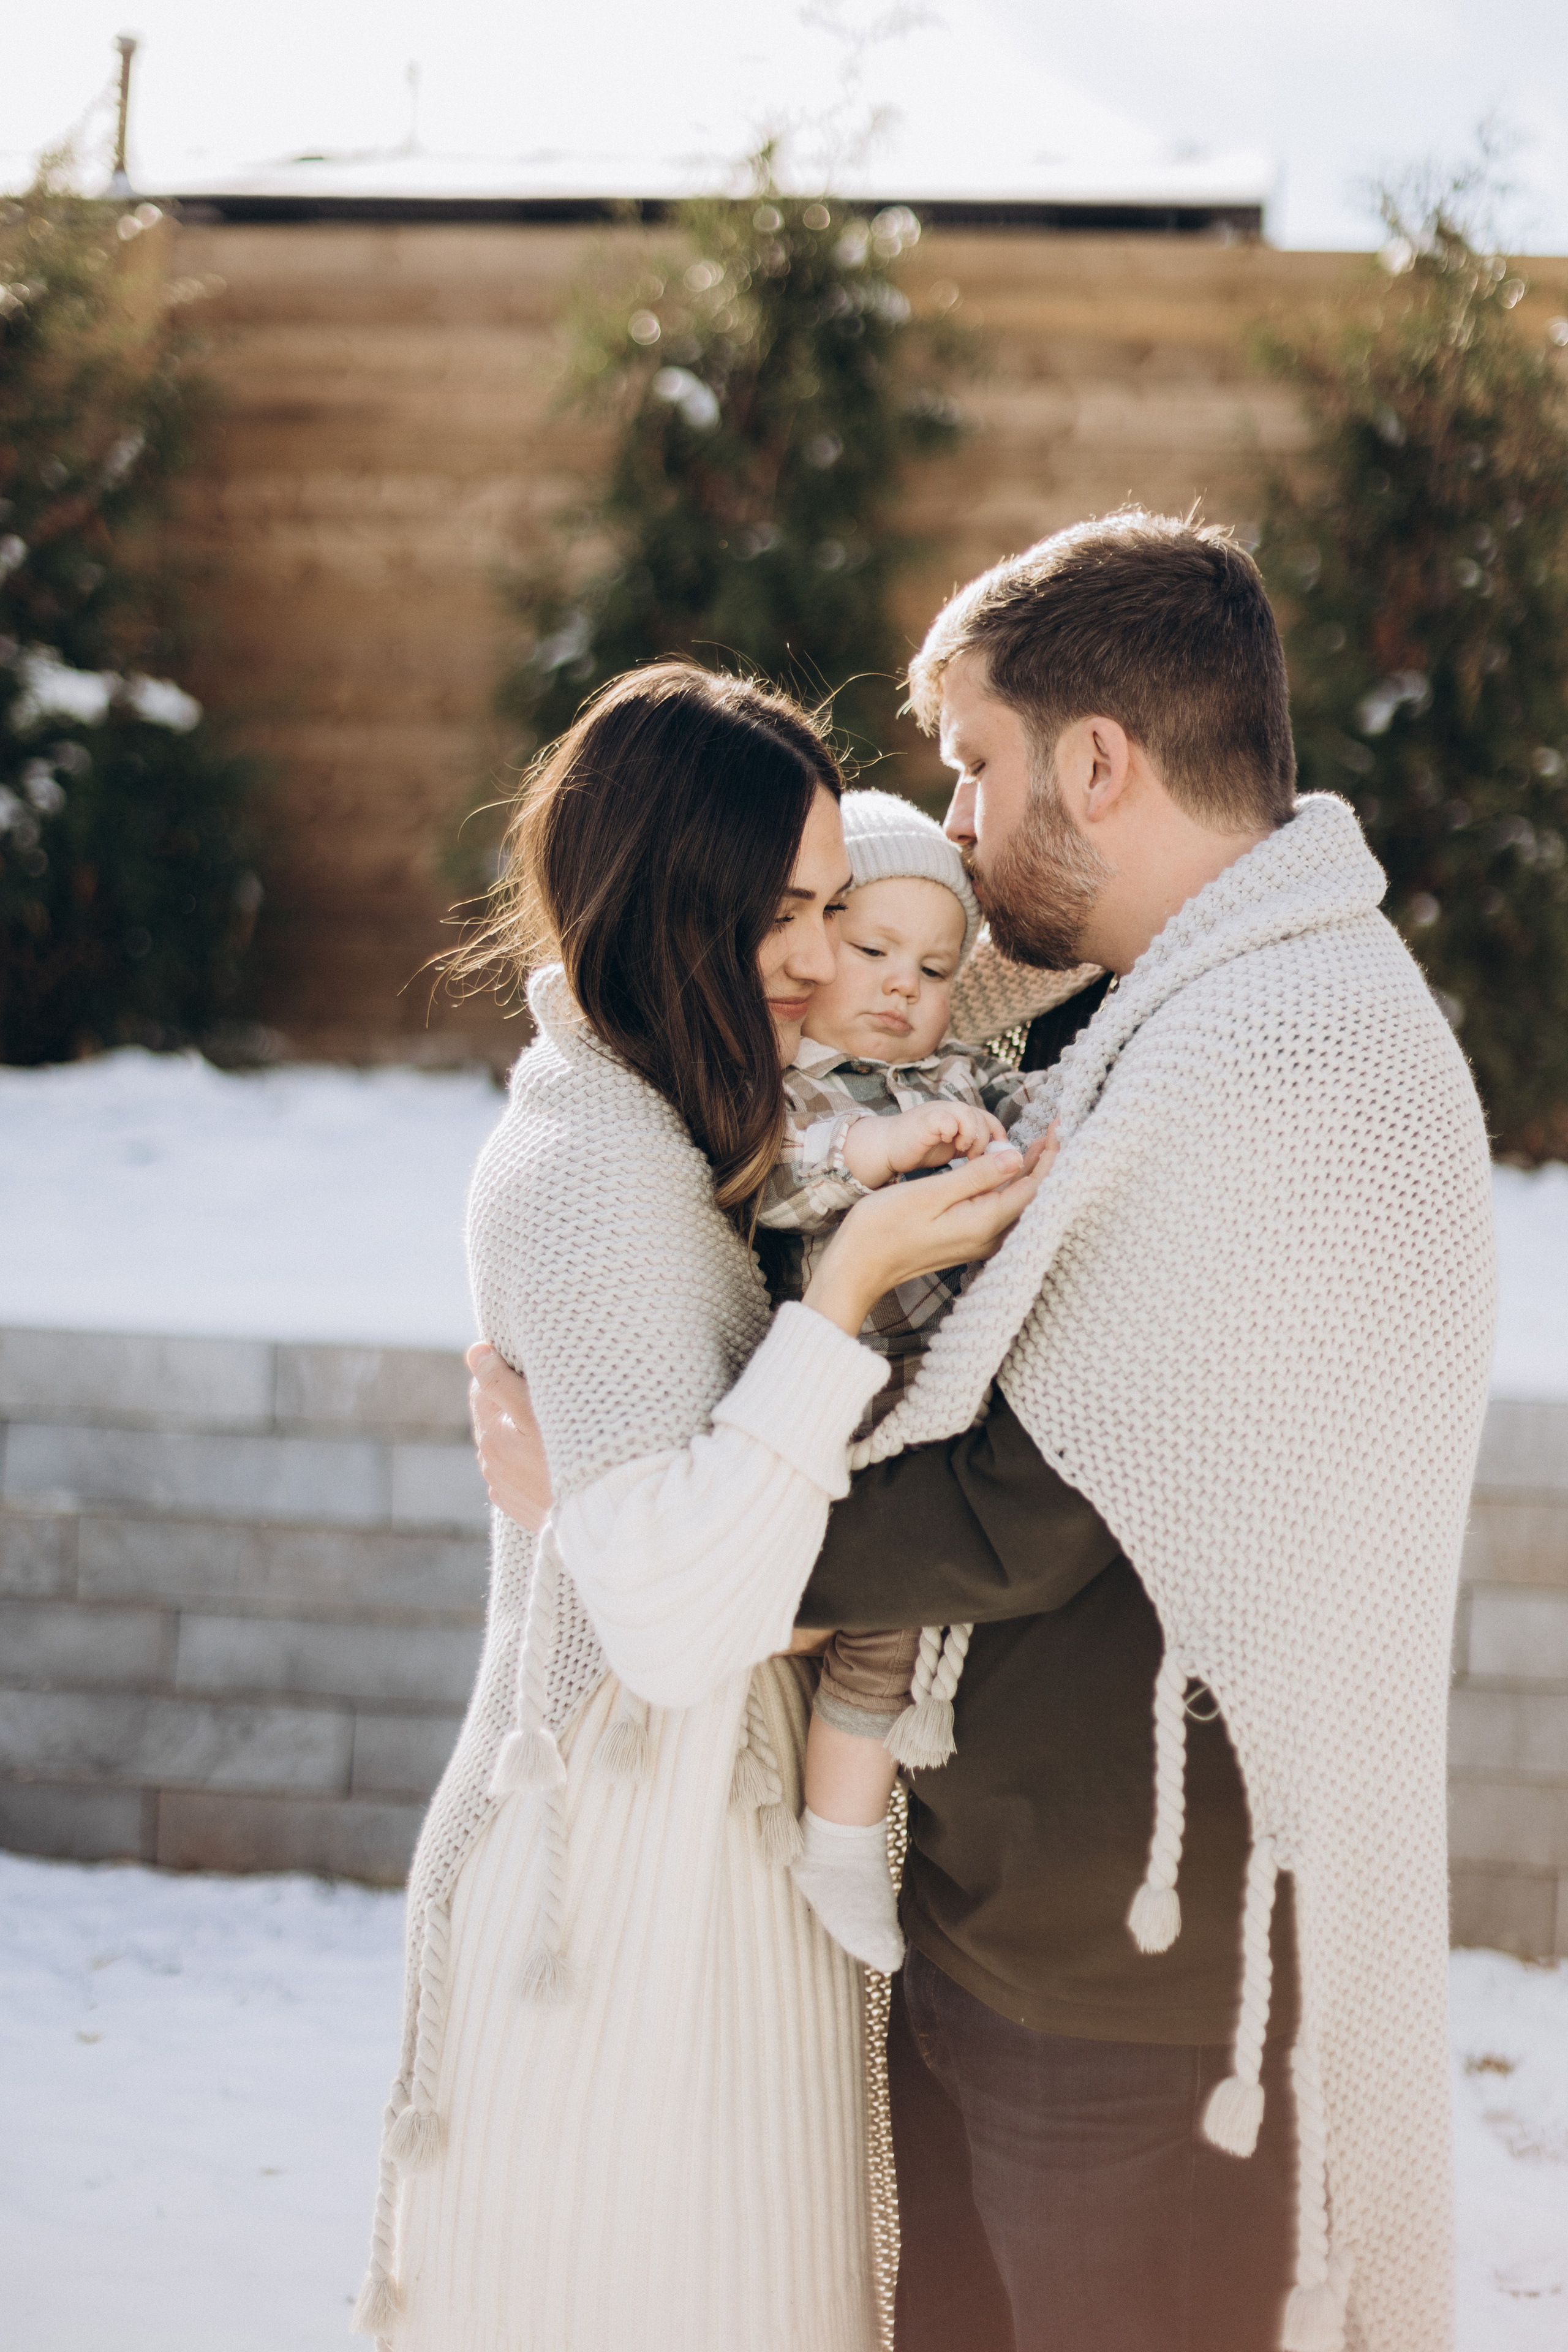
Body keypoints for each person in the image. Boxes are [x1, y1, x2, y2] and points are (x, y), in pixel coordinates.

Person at [472, 512, 1496, 2352]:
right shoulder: (1172, 1001)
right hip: (1019, 1907)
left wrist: (678, 1541)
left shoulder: (1279, 1046)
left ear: (1097, 764)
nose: (940, 822)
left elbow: (1044, 1496)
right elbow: (842, 964)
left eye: (970, 764)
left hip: (1137, 1973)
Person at [352, 662, 1047, 2352]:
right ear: (676, 893)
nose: (825, 959)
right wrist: (855, 1286)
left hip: (712, 1870)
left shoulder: (703, 1122)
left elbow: (704, 1523)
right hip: (622, 1909)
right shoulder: (593, 1162)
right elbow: (674, 1612)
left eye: (833, 904)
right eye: (788, 910)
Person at [756, 788, 1058, 1978]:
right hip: (847, 1411)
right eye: (872, 951)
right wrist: (863, 1153)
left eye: (934, 970)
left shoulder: (943, 1074)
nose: (900, 986)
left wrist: (1032, 1121)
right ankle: (835, 1842)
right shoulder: (787, 1088)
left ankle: (853, 1826)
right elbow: (772, 1180)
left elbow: (1017, 1114)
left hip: (946, 1410)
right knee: (867, 1629)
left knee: (903, 1633)